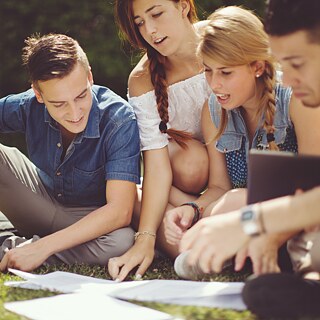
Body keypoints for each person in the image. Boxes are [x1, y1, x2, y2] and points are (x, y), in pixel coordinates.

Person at [180, 0, 320, 317]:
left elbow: (313, 193)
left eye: (297, 63)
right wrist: (194, 209)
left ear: (257, 67)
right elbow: (219, 188)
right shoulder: (215, 110)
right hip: (282, 221)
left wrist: (256, 224)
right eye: (208, 72)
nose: (215, 84)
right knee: (231, 204)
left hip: (298, 225)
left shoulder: (298, 99)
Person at [0, 33, 141, 272]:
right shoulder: (29, 104)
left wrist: (42, 248)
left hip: (87, 220)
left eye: (81, 96)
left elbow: (120, 212)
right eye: (59, 104)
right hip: (39, 199)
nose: (75, 113)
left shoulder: (119, 119)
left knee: (121, 241)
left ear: (89, 77)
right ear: (38, 93)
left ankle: (16, 248)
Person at [108, 0, 212, 282]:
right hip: (179, 187)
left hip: (231, 173)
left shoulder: (220, 40)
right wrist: (146, 237)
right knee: (192, 163)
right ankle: (183, 219)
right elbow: (156, 165)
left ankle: (205, 220)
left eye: (156, 14)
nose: (151, 31)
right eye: (140, 22)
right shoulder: (142, 79)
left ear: (183, 6)